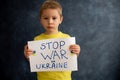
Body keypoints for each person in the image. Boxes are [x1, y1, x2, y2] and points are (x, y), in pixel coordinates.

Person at [24, 0, 80, 80]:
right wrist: (28, 56)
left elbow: (71, 58)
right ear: (41, 20)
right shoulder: (37, 40)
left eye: (54, 18)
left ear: (60, 19)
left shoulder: (67, 38)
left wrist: (77, 51)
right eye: (46, 18)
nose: (50, 22)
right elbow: (35, 61)